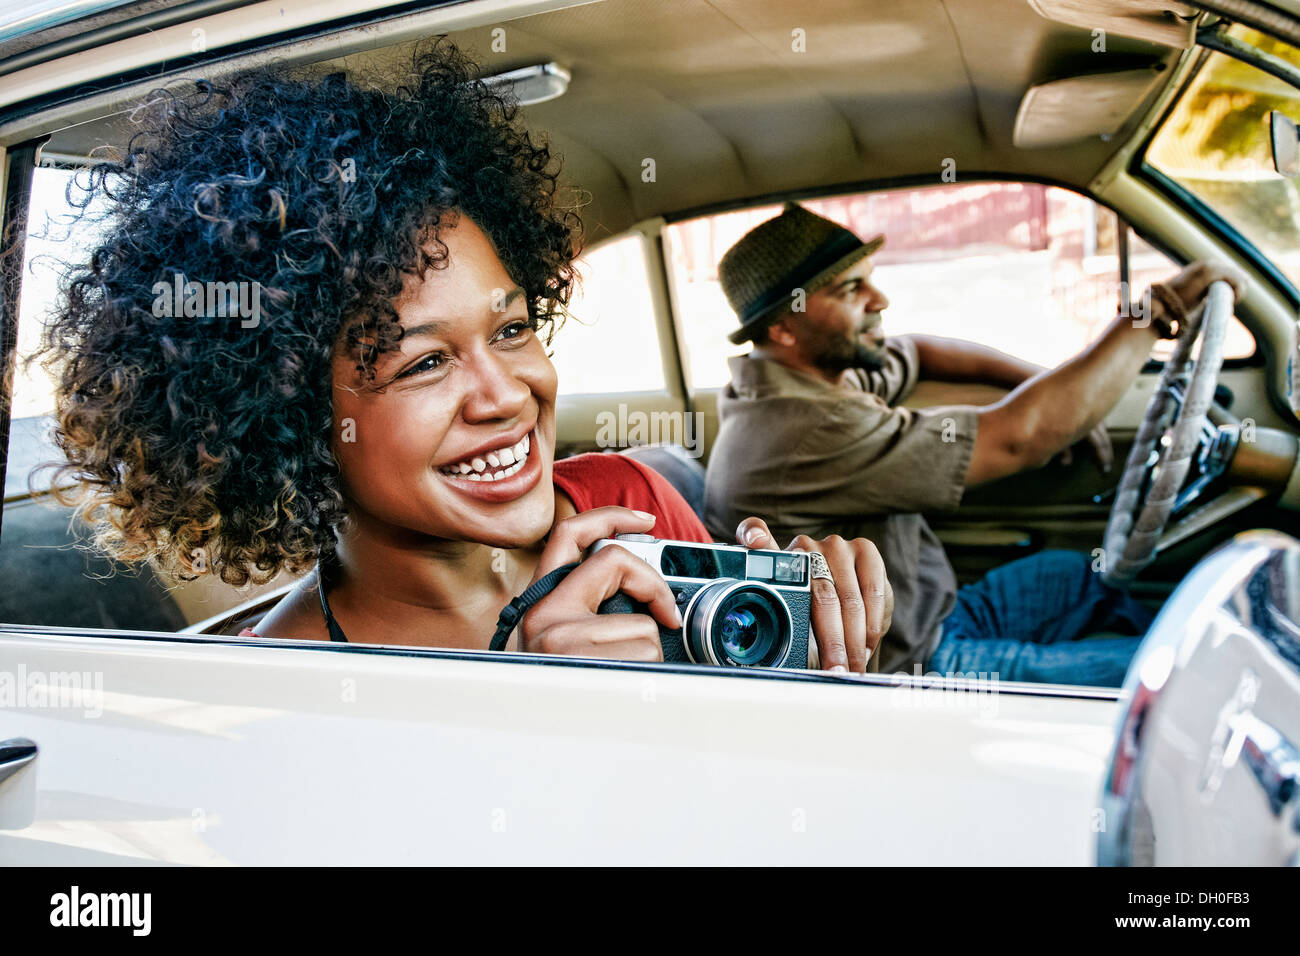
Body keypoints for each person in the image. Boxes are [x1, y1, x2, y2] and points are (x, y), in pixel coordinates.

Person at [35, 42, 891, 672]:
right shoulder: (288, 676)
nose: (505, 396)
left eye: (511, 329)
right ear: (295, 419)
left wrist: (818, 641)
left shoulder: (626, 503)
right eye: (422, 365)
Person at [703, 202, 1246, 686]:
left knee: (1083, 577)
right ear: (783, 329)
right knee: (1179, 673)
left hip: (943, 612)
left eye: (869, 279)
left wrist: (1034, 377)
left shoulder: (818, 373)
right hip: (916, 663)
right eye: (850, 290)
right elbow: (1018, 439)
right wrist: (1153, 311)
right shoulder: (806, 428)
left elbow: (915, 350)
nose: (880, 299)